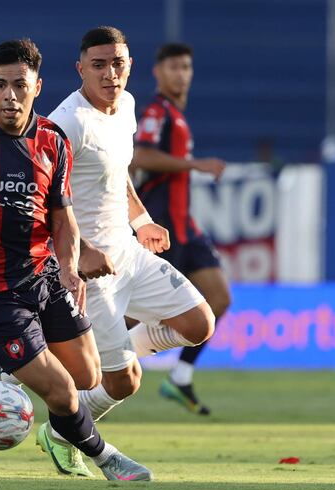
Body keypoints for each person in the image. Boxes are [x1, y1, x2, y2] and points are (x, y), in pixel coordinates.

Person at [0, 27, 215, 476]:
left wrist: (141, 220)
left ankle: (53, 368)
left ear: (130, 65)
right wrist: (79, 254)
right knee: (124, 382)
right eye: (99, 65)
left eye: (118, 63)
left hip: (127, 253)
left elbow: (119, 174)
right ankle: (66, 422)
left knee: (199, 323)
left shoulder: (126, 106)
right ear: (80, 69)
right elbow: (39, 198)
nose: (111, 74)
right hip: (92, 269)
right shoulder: (66, 123)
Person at [0, 38, 151, 481]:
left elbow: (63, 217)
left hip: (43, 275)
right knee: (63, 392)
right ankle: (108, 460)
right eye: (1, 85)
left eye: (20, 86)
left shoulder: (52, 142)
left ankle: (11, 363)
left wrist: (68, 265)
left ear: (37, 87)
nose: (10, 95)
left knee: (87, 376)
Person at [131, 43, 232, 415]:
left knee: (219, 297)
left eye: (186, 67)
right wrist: (195, 165)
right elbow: (140, 156)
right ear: (158, 72)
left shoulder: (178, 115)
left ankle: (181, 376)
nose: (181, 74)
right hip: (162, 225)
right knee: (126, 312)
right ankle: (80, 359)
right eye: (174, 66)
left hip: (185, 227)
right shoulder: (158, 110)